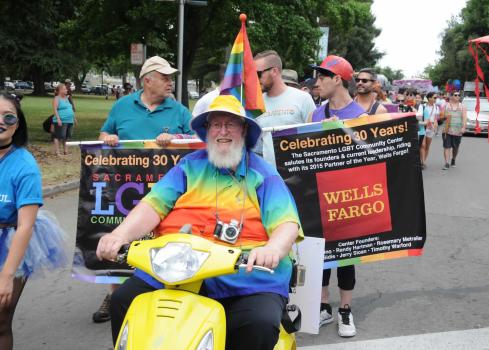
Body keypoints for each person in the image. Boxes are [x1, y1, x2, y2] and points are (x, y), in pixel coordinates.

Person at [96, 95, 302, 349]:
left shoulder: (264, 175)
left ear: (244, 130)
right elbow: (153, 205)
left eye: (231, 124)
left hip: (244, 276)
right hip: (179, 269)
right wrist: (120, 235)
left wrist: (272, 250)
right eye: (216, 124)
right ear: (207, 131)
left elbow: (286, 224)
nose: (222, 132)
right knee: (124, 299)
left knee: (259, 322)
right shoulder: (188, 166)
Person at [93, 56, 194, 324]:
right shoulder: (122, 105)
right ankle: (114, 294)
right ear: (147, 80)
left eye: (171, 77)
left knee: (161, 238)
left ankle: (159, 291)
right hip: (126, 185)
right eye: (165, 77)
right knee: (121, 236)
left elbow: (197, 142)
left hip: (167, 189)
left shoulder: (180, 111)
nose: (170, 82)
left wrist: (178, 138)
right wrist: (108, 139)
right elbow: (103, 135)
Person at [0, 93, 67, 350]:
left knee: (1, 320)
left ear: (17, 124)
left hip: (12, 240)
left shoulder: (24, 165)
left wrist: (7, 275)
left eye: (8, 117)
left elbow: (26, 225)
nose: (2, 122)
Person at [310, 55, 366, 338]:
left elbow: (371, 158)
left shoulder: (361, 115)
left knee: (346, 255)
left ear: (338, 80)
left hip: (350, 198)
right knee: (321, 253)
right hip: (320, 195)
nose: (317, 81)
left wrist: (343, 133)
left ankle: (345, 309)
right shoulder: (315, 113)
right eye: (316, 76)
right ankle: (323, 305)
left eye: (322, 76)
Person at [254, 50, 315, 166]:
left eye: (258, 74)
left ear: (274, 71)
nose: (255, 79)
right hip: (267, 177)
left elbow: (314, 138)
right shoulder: (257, 103)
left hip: (298, 176)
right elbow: (257, 147)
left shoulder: (303, 99)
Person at [442, 92, 467, 170]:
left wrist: (463, 127)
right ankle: (447, 163)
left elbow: (464, 118)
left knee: (455, 148)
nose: (457, 96)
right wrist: (444, 116)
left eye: (459, 95)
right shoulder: (446, 105)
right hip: (447, 130)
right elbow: (441, 116)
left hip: (458, 130)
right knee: (447, 146)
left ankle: (453, 159)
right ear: (451, 96)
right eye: (455, 95)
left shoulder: (462, 107)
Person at [52, 83, 76, 156]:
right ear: (60, 90)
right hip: (61, 120)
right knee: (59, 136)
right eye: (64, 89)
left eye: (66, 89)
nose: (66, 90)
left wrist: (74, 118)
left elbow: (70, 108)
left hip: (70, 120)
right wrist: (58, 119)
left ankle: (66, 151)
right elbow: (55, 109)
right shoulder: (57, 98)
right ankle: (57, 152)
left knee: (67, 136)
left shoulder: (67, 98)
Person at [416, 92, 440, 169]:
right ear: (429, 98)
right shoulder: (422, 106)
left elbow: (436, 118)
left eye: (436, 98)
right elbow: (419, 116)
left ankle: (423, 161)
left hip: (431, 127)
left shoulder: (436, 107)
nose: (436, 99)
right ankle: (422, 162)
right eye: (434, 97)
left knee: (427, 146)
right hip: (423, 127)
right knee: (423, 145)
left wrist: (435, 124)